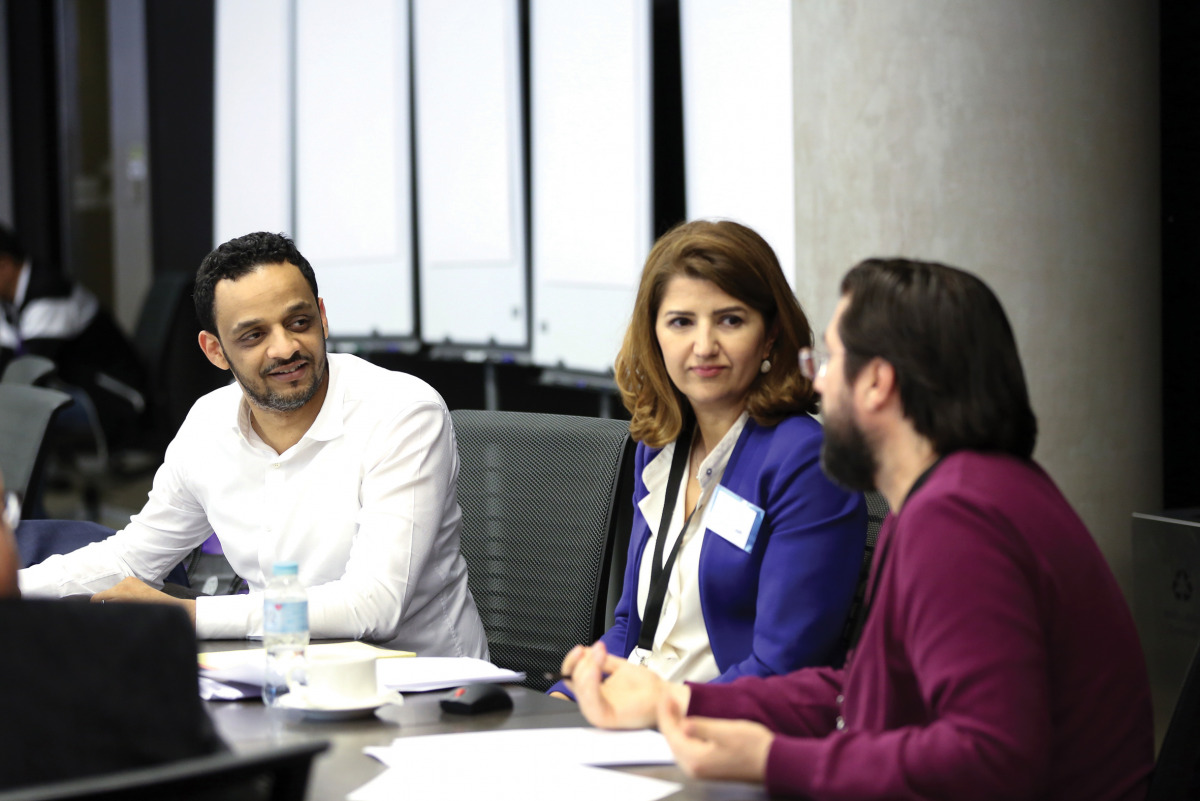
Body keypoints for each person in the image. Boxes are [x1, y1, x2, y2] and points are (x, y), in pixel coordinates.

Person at [563, 258, 1153, 801]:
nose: (816, 384)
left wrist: (774, 760)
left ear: (877, 383)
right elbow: (860, 694)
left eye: (829, 361)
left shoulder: (959, 520)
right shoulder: (949, 498)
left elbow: (990, 759)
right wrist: (681, 700)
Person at [17, 231, 488, 658]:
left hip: (426, 696)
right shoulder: (207, 425)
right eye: (254, 335)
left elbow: (373, 606)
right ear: (215, 350)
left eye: (298, 322)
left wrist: (191, 615)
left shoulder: (401, 411)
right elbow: (131, 558)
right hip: (280, 679)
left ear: (322, 318)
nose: (284, 348)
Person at [552, 220, 866, 697]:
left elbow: (782, 667)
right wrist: (568, 699)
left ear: (771, 336)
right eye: (681, 322)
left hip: (722, 734)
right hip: (637, 725)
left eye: (730, 320)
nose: (703, 346)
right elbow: (634, 629)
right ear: (653, 333)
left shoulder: (803, 461)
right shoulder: (659, 446)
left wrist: (663, 710)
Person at [0, 222, 149, 450]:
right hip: (69, 387)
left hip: (108, 398)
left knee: (21, 414)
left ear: (5, 265)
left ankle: (20, 486)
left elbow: (28, 376)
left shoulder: (48, 293)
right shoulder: (11, 299)